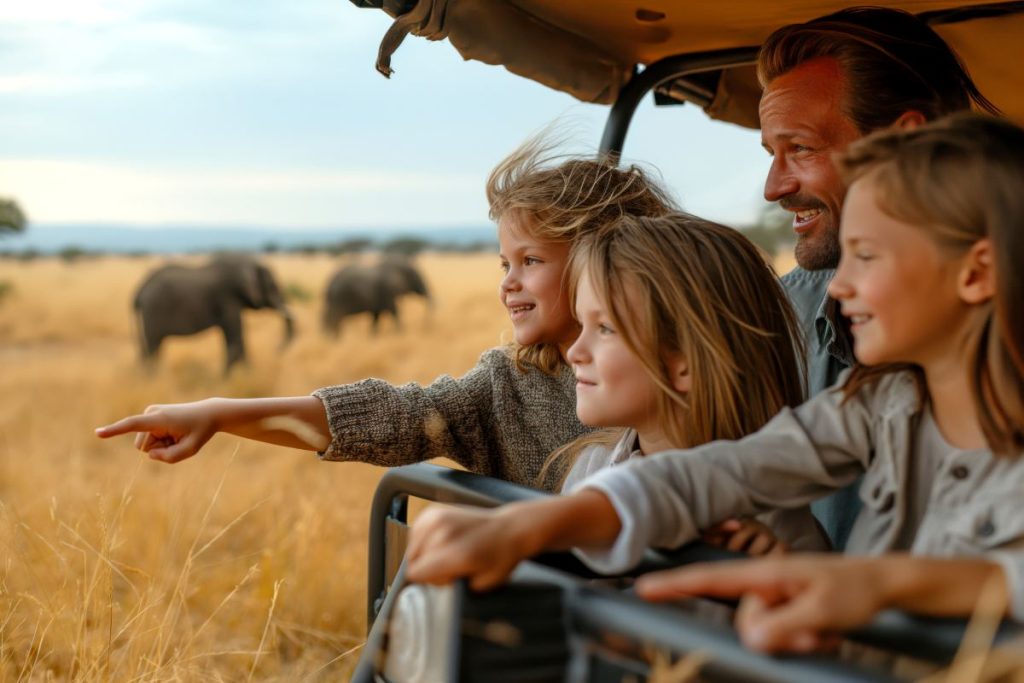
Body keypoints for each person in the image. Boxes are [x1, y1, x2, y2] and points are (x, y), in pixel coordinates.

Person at [403, 116, 1024, 647]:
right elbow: (724, 470)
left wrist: (876, 583)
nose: (837, 286)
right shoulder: (877, 405)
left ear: (975, 274)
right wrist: (532, 523)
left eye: (866, 255)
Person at [95, 136, 674, 489]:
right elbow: (394, 415)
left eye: (531, 261)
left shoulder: (686, 376)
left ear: (608, 260)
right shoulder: (505, 385)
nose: (509, 284)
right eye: (504, 264)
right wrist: (221, 412)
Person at [756, 6, 999, 549]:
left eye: (800, 148)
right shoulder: (778, 317)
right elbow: (734, 468)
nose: (772, 188)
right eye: (771, 153)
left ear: (904, 144)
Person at [547, 212, 822, 553]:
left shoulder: (776, 534)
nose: (575, 351)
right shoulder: (591, 469)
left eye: (605, 328)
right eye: (580, 324)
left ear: (687, 363)